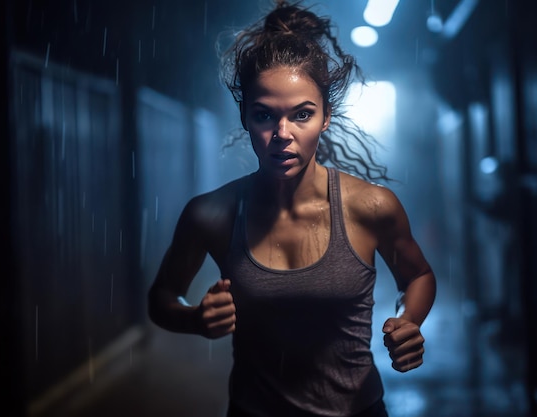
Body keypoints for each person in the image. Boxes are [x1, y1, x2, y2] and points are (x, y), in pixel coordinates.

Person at [148, 1, 437, 416]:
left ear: (326, 117)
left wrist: (409, 320)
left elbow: (419, 275)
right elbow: (161, 297)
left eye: (302, 114)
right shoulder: (211, 215)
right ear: (245, 117)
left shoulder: (371, 207)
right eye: (265, 115)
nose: (282, 134)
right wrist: (194, 318)